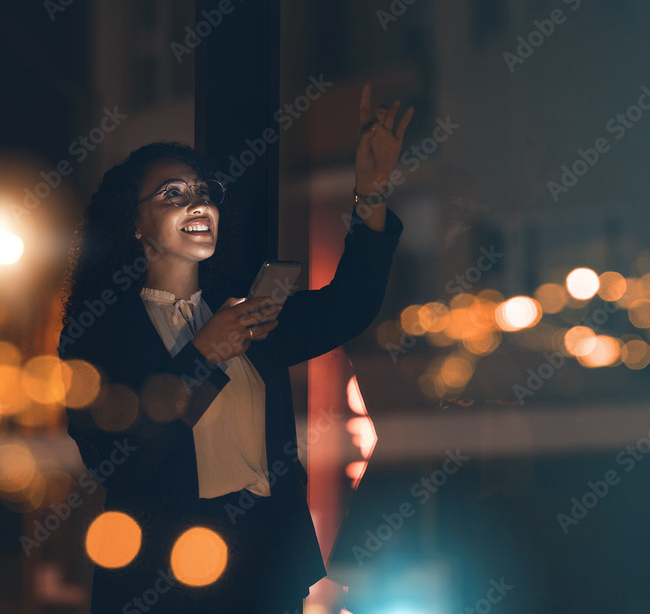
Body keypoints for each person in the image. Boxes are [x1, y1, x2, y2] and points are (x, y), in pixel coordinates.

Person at [58, 83, 412, 613]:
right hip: (166, 577)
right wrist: (203, 354)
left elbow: (351, 306)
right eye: (172, 194)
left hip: (265, 564)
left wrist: (373, 191)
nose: (197, 203)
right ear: (134, 225)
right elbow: (118, 463)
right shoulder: (99, 332)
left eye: (203, 192)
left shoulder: (244, 313)